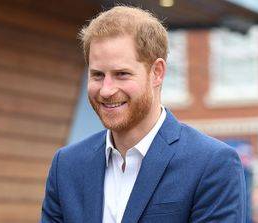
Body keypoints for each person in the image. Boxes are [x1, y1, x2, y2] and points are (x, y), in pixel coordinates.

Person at [40, 5, 246, 223]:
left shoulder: (211, 164)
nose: (106, 90)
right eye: (98, 75)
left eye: (122, 74)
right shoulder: (67, 165)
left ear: (157, 72)